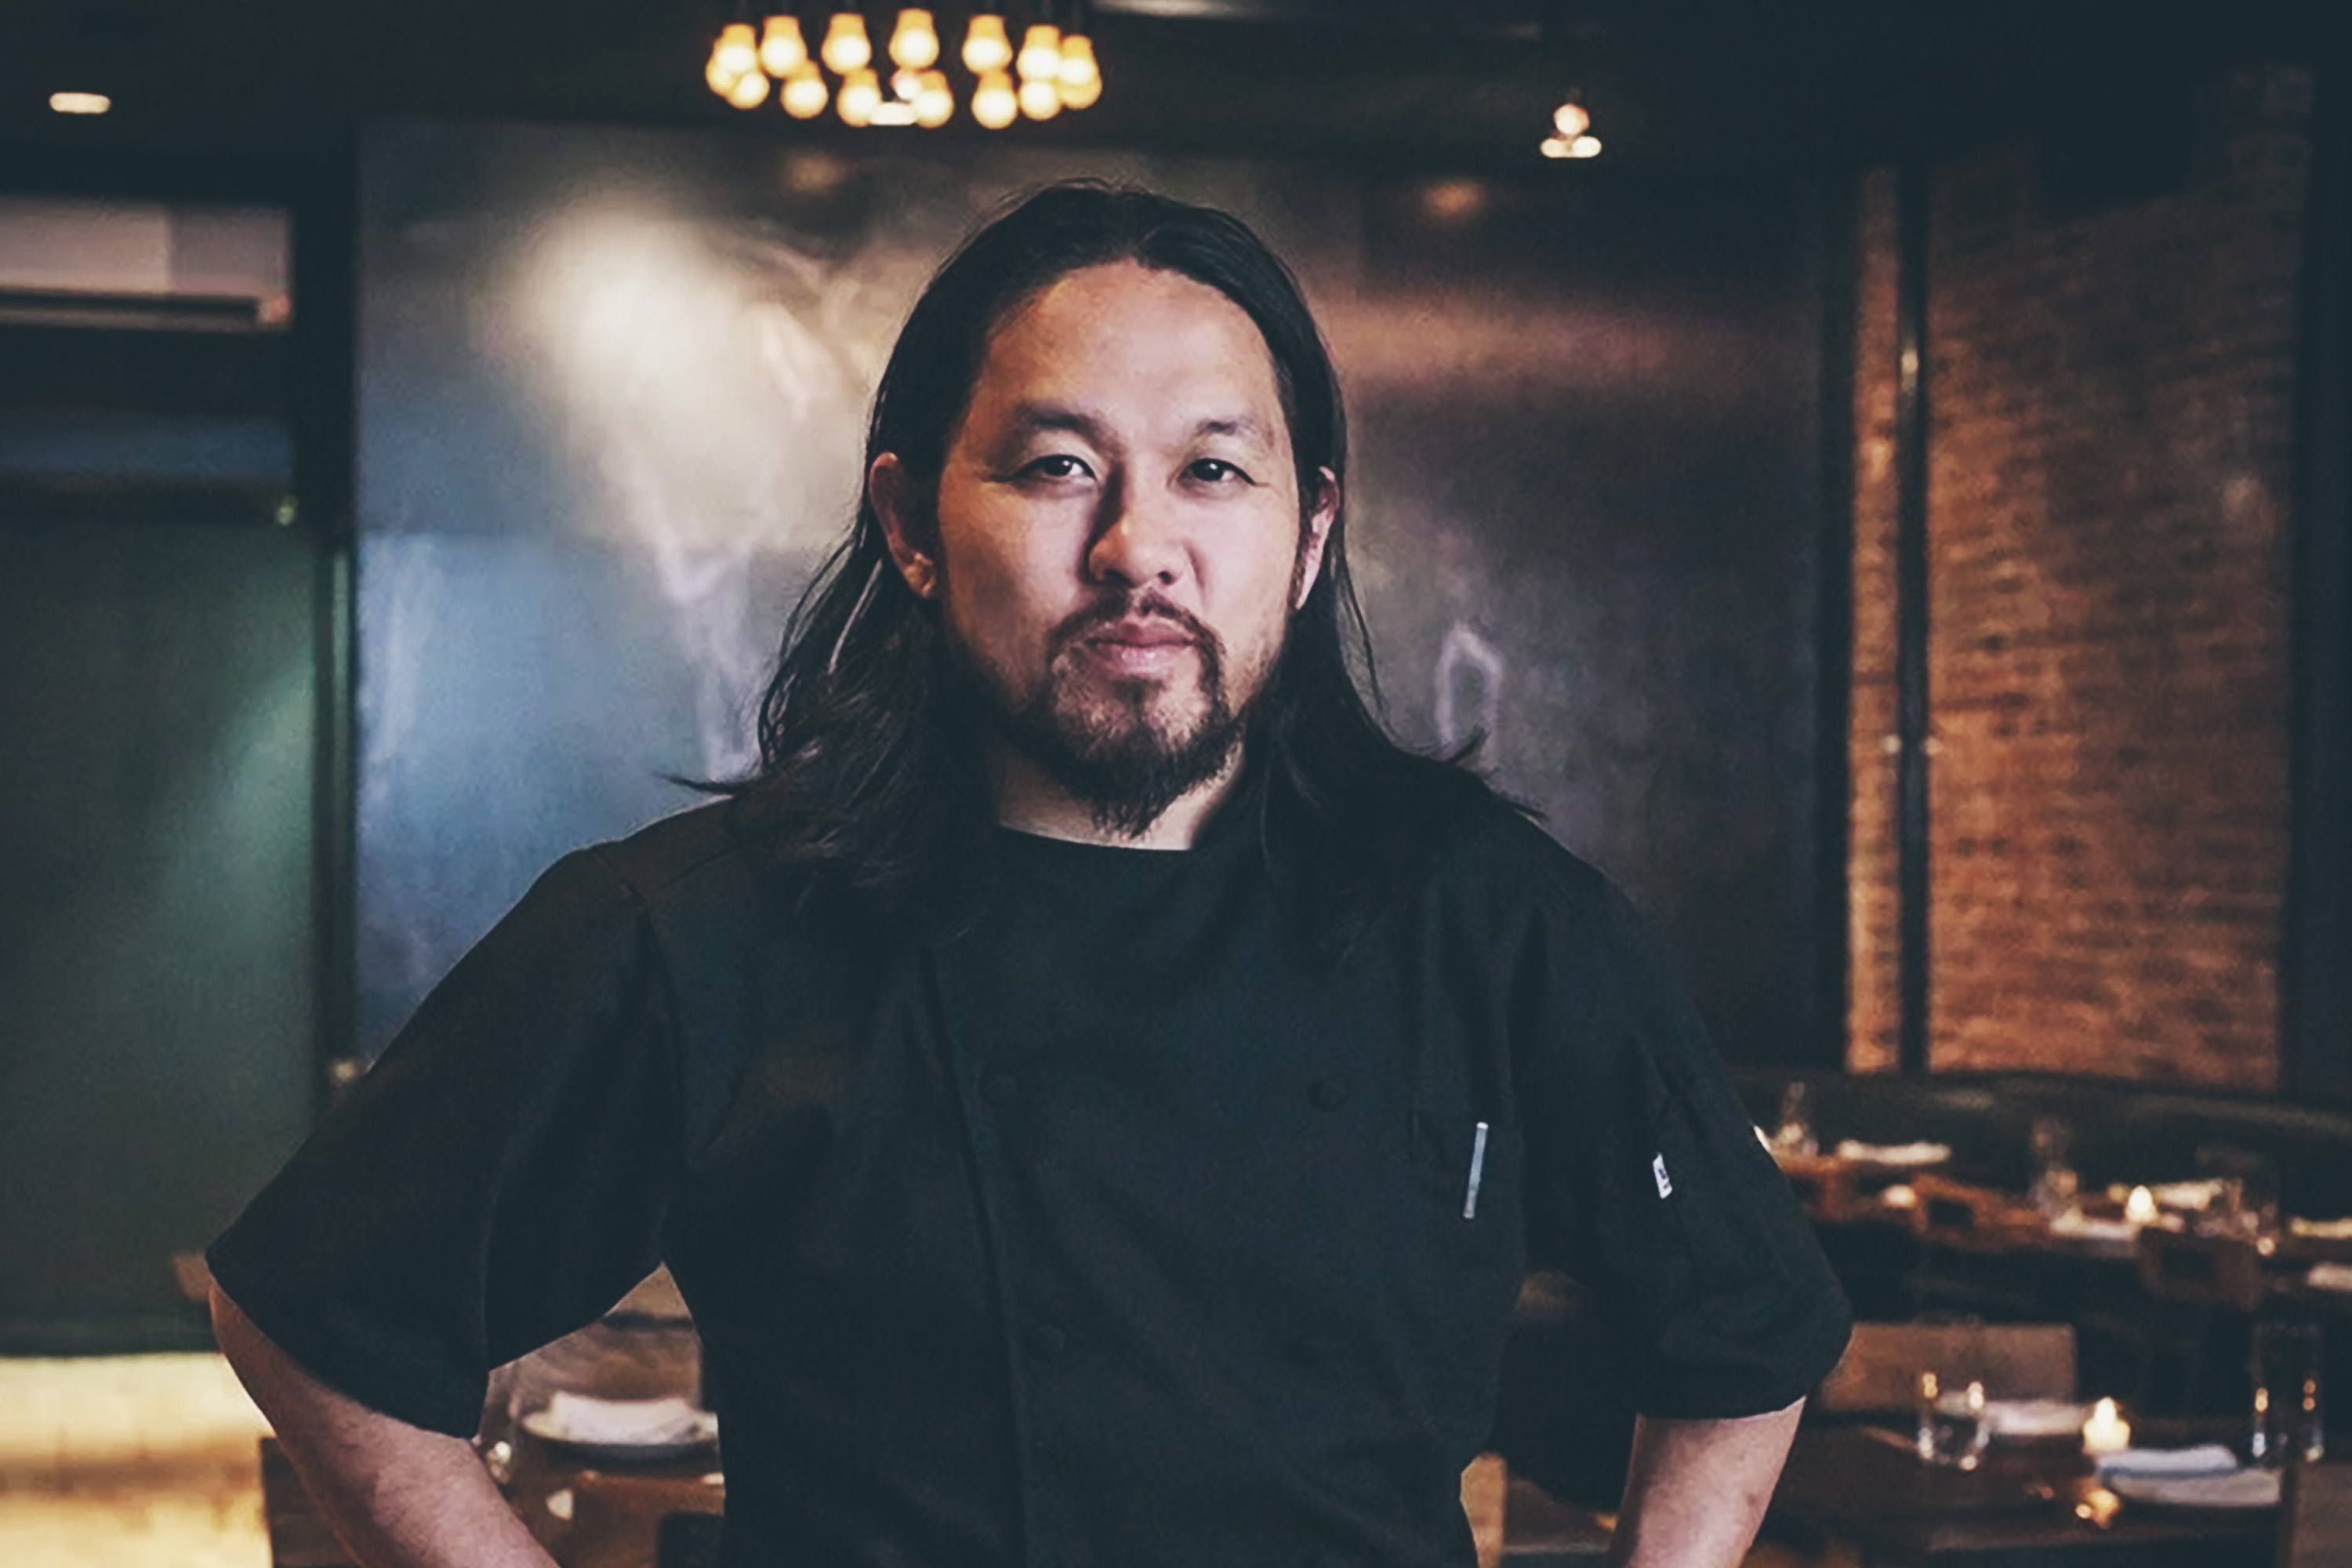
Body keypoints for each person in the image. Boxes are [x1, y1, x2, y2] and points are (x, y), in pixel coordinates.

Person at [210, 182, 1850, 1568]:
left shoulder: (1492, 923)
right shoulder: (699, 932)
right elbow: (313, 1312)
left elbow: (1748, 1329)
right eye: (1058, 466)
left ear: (1309, 535)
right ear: (912, 523)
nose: (1140, 545)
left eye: (1214, 469)